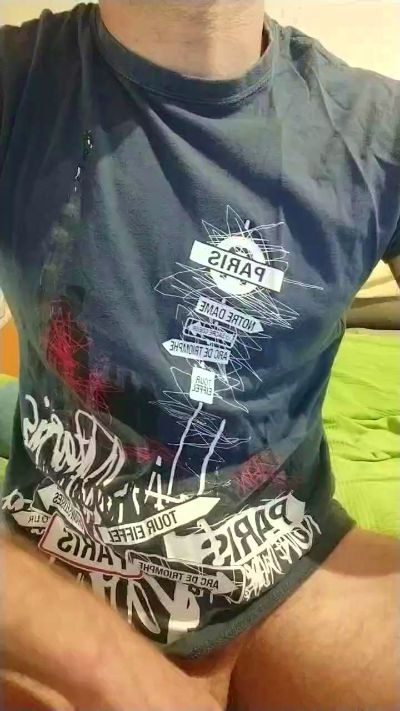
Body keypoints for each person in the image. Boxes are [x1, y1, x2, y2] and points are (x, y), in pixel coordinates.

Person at [0, 1, 399, 709]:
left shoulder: (378, 132)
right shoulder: (18, 81)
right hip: (43, 583)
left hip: (294, 580)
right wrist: (114, 668)